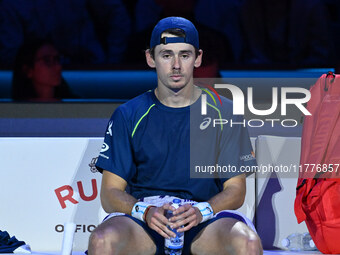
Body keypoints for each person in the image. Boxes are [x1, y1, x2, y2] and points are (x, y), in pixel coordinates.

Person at [88, 17, 263, 255]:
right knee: (102, 240)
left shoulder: (225, 112)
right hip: (145, 221)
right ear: (151, 58)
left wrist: (203, 210)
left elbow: (236, 190)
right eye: (167, 54)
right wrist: (145, 211)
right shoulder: (128, 115)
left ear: (198, 58)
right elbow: (110, 193)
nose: (176, 65)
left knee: (247, 243)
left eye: (185, 54)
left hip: (204, 221)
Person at [11, 41, 76, 101]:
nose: (58, 66)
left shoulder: (75, 105)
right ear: (28, 70)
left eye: (57, 59)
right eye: (47, 60)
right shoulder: (15, 109)